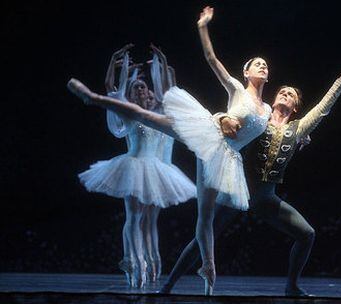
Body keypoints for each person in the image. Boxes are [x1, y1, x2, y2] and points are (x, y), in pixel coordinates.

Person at [67, 6, 273, 294]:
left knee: (206, 216)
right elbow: (211, 59)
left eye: (266, 64)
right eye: (258, 63)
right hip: (207, 131)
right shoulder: (238, 88)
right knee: (148, 117)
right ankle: (94, 98)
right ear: (247, 71)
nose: (263, 66)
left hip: (223, 157)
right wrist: (203, 26)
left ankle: (208, 268)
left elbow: (283, 129)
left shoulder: (267, 112)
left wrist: (300, 137)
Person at [159, 60, 341, 297]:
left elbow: (322, 109)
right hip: (239, 189)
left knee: (307, 234)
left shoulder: (298, 129)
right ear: (274, 100)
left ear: (296, 106)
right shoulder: (260, 119)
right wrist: (223, 118)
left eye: (291, 94)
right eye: (282, 92)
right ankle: (168, 285)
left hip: (265, 197)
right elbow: (231, 117)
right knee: (204, 237)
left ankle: (292, 286)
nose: (286, 94)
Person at [77, 45, 196, 288]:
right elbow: (112, 91)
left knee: (148, 218)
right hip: (132, 166)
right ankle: (135, 260)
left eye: (143, 86)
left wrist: (162, 64)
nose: (142, 88)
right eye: (137, 87)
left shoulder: (158, 112)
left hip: (155, 168)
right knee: (134, 217)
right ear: (131, 94)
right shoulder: (129, 113)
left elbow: (169, 93)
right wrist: (114, 62)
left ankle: (153, 259)